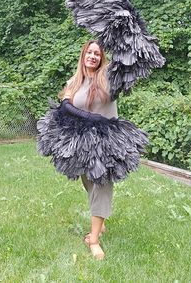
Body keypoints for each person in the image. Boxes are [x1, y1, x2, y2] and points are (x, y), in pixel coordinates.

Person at [61, 39, 117, 260]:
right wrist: (86, 116)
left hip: (106, 140)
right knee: (88, 182)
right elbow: (65, 104)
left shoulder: (109, 78)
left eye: (98, 53)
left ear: (102, 58)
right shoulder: (75, 81)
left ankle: (93, 239)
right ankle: (100, 221)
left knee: (101, 183)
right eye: (90, 52)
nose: (93, 56)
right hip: (82, 141)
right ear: (83, 55)